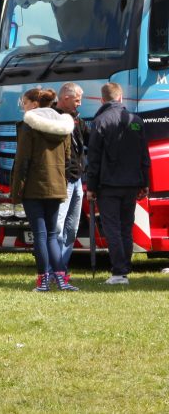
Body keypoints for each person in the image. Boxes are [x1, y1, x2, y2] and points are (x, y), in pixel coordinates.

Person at [9, 87, 77, 292]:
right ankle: (62, 279)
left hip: (33, 187)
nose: (24, 107)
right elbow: (67, 159)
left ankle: (43, 280)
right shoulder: (63, 126)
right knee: (51, 235)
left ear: (35, 104)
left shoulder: (28, 126)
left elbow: (22, 161)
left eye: (25, 103)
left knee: (39, 234)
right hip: (56, 187)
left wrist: (15, 191)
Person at [86, 82, 151, 285]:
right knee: (125, 226)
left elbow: (94, 159)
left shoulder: (100, 121)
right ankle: (124, 269)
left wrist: (91, 187)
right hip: (132, 183)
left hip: (108, 185)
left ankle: (119, 271)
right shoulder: (136, 121)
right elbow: (144, 154)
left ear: (102, 99)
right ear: (121, 98)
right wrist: (145, 182)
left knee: (112, 227)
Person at [52, 82, 88, 277]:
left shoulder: (77, 120)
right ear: (65, 98)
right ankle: (54, 268)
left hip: (77, 181)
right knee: (58, 226)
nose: (80, 104)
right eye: (77, 100)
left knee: (72, 228)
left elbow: (91, 139)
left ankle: (62, 268)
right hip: (62, 181)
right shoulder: (52, 119)